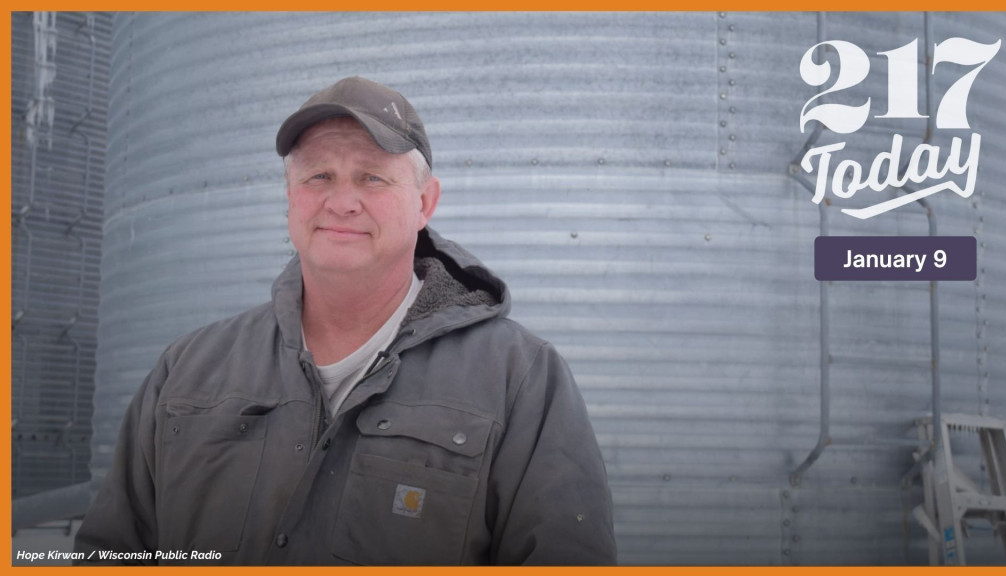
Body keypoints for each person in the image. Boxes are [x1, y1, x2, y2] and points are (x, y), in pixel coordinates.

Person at [74, 76, 617, 565]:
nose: (342, 202)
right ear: (290, 197)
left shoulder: (519, 379)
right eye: (319, 176)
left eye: (373, 178)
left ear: (425, 203)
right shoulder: (188, 371)